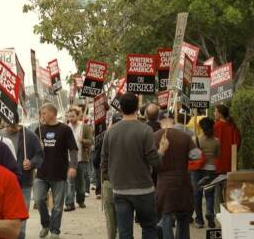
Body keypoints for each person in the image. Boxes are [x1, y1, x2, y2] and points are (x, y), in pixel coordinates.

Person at [101, 92, 169, 239]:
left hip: (120, 189)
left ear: (120, 109)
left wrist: (111, 179)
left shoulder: (110, 132)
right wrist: (162, 150)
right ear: (137, 108)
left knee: (124, 233)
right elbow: (155, 161)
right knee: (149, 228)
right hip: (144, 189)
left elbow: (103, 162)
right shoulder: (145, 130)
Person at [34, 103, 78, 239]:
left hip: (59, 173)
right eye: (41, 114)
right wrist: (37, 149)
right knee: (39, 200)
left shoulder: (65, 129)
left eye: (44, 113)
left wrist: (72, 166)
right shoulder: (39, 130)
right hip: (41, 173)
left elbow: (73, 149)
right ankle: (45, 225)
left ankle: (54, 231)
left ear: (53, 113)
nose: (42, 116)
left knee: (58, 206)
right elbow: (32, 152)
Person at [0, 112, 44, 239]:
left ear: (17, 123)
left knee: (21, 216)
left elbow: (40, 155)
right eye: (6, 124)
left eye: (11, 125)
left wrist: (31, 163)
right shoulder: (1, 135)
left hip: (23, 182)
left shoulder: (29, 136)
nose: (8, 128)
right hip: (4, 183)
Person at [154, 113, 196, 239]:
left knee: (166, 216)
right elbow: (196, 156)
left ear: (159, 121)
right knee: (183, 216)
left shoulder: (153, 137)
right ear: (173, 120)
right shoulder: (185, 136)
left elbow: (151, 162)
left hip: (163, 183)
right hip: (182, 181)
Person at [190, 117, 219, 229]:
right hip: (210, 170)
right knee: (210, 194)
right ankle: (209, 213)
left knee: (197, 195)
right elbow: (217, 155)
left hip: (197, 170)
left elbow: (192, 155)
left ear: (201, 128)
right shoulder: (216, 141)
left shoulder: (195, 139)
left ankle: (199, 221)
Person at [64, 107, 93, 211]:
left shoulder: (84, 127)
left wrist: (83, 141)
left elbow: (91, 141)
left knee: (80, 182)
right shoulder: (66, 128)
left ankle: (80, 200)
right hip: (69, 159)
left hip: (81, 158)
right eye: (69, 116)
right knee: (69, 182)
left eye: (73, 116)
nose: (70, 118)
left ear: (78, 116)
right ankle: (69, 203)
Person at [213, 104, 240, 213]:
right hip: (230, 163)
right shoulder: (233, 126)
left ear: (220, 113)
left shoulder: (216, 126)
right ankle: (231, 212)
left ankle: (219, 214)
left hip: (218, 163)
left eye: (215, 111)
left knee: (218, 191)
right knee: (231, 191)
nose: (214, 113)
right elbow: (237, 143)